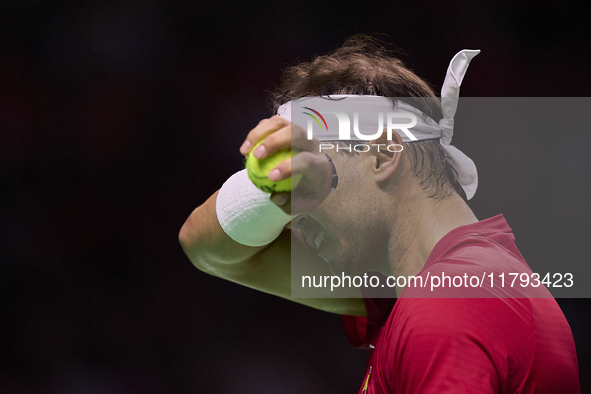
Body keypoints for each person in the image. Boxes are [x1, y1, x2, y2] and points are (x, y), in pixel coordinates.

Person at [179, 35, 580, 393]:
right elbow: (205, 247)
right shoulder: (436, 287)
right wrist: (272, 187)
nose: (295, 217)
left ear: (386, 153)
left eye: (306, 182)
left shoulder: (449, 302)